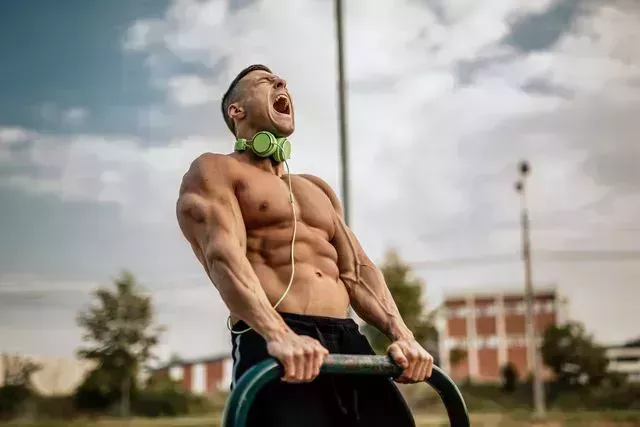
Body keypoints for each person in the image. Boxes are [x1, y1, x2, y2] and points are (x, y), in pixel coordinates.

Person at [176, 64, 433, 426]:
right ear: (237, 110)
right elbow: (223, 257)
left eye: (281, 80)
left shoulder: (317, 188)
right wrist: (278, 334)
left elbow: (357, 270)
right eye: (265, 82)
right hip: (273, 335)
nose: (281, 82)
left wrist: (404, 337)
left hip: (346, 338)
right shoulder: (215, 170)